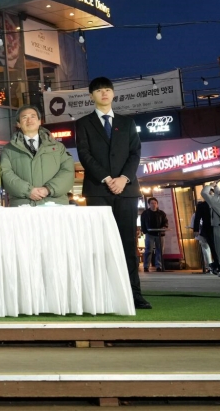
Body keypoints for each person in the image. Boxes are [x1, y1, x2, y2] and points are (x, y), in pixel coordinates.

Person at [75, 76, 150, 308]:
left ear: (113, 93)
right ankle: (103, 294)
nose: (104, 94)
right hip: (98, 190)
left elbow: (135, 153)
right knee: (100, 243)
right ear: (91, 96)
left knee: (128, 241)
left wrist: (123, 179)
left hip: (126, 191)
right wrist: (107, 179)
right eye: (98, 91)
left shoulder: (127, 123)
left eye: (107, 90)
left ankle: (133, 293)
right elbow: (84, 155)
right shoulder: (83, 123)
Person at [0, 104, 74, 207]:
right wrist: (28, 191)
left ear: (39, 121)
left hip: (54, 205)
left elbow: (68, 171)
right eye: (24, 117)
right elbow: (6, 174)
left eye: (33, 116)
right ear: (18, 124)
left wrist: (48, 189)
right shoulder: (9, 149)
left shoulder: (58, 147)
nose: (29, 120)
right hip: (22, 206)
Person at [140, 197, 168, 272]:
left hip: (160, 234)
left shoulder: (161, 213)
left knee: (160, 250)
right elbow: (142, 223)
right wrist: (145, 231)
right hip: (150, 234)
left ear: (157, 204)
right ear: (149, 204)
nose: (154, 205)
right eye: (152, 203)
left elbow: (165, 222)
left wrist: (164, 227)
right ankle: (146, 266)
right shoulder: (145, 213)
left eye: (155, 203)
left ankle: (159, 266)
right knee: (148, 250)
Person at [192, 199, 219, 274]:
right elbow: (197, 218)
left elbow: (197, 218)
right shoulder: (202, 205)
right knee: (213, 248)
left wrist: (196, 229)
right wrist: (196, 229)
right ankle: (215, 264)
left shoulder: (215, 202)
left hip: (213, 228)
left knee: (212, 248)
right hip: (209, 229)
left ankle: (215, 264)